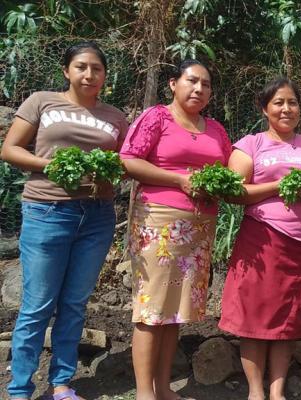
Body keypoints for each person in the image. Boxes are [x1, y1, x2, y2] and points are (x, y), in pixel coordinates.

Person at [0, 41, 128, 400]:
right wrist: (52, 165)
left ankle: (61, 384)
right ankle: (20, 389)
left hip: (97, 215)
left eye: (97, 69)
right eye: (81, 67)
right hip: (47, 211)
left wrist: (112, 173)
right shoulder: (42, 101)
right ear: (67, 71)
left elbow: (123, 162)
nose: (89, 74)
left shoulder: (115, 116)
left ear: (105, 74)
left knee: (74, 302)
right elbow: (10, 150)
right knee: (37, 303)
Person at [218, 77, 301, 400]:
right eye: (278, 103)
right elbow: (235, 191)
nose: (287, 109)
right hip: (262, 240)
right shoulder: (251, 144)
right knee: (254, 316)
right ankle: (256, 392)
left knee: (289, 316)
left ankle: (277, 391)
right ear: (264, 108)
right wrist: (280, 186)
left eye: (293, 103)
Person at [120, 59, 232, 400]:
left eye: (206, 84)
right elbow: (128, 160)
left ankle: (164, 387)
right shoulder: (157, 117)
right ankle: (144, 392)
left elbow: (228, 172)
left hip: (199, 228)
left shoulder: (215, 129)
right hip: (159, 221)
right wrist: (178, 179)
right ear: (173, 83)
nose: (199, 89)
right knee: (151, 306)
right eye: (192, 81)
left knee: (176, 309)